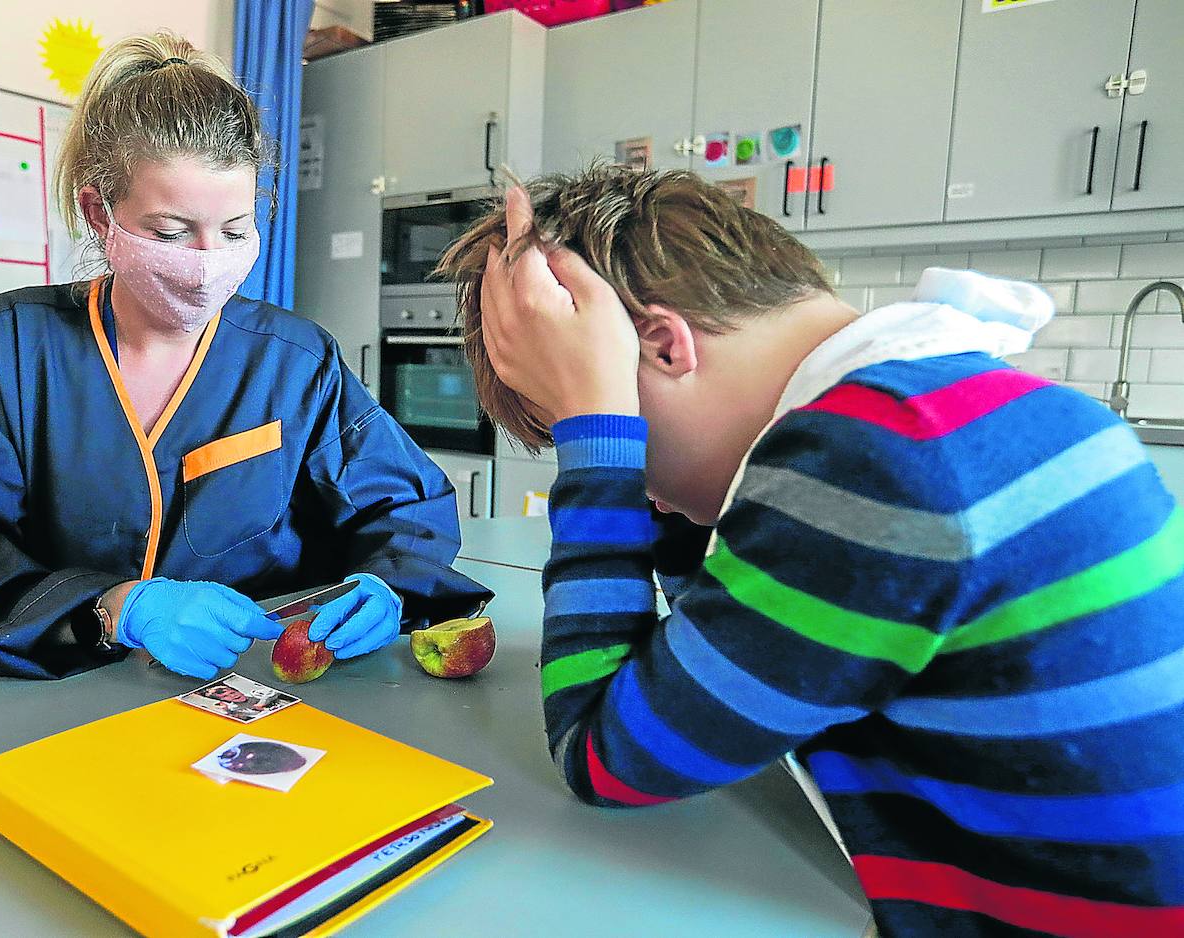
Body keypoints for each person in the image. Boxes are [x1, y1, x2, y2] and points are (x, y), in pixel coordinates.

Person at [437, 165, 1184, 936]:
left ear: (663, 346)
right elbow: (734, 667)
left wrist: (598, 436)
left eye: (574, 417)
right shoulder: (948, 406)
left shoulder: (881, 454)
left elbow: (607, 754)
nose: (648, 496)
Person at [0, 32, 489, 681]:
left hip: (255, 687)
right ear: (98, 212)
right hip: (65, 685)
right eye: (170, 232)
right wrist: (118, 607)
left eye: (234, 231)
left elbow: (404, 508)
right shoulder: (5, 348)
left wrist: (391, 586)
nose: (207, 264)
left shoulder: (295, 361)